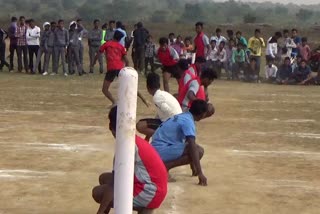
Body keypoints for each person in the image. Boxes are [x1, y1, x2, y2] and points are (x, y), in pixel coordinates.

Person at [92, 106, 168, 214]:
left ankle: (144, 207)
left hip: (151, 192)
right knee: (104, 178)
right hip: (156, 188)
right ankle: (143, 207)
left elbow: (113, 186)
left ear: (113, 129)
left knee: (98, 192)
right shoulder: (134, 140)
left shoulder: (125, 147)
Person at [151, 99, 209, 185]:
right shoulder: (188, 122)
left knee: (194, 148)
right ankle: (165, 167)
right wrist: (200, 173)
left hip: (157, 148)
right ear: (202, 114)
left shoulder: (185, 116)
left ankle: (164, 166)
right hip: (159, 150)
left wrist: (193, 167)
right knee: (199, 151)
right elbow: (192, 146)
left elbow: (188, 143)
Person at [137, 73, 182, 141]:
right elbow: (160, 114)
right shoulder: (162, 94)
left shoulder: (157, 97)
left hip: (172, 124)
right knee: (142, 122)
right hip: (174, 121)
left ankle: (164, 137)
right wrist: (147, 137)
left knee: (140, 126)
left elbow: (170, 112)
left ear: (148, 87)